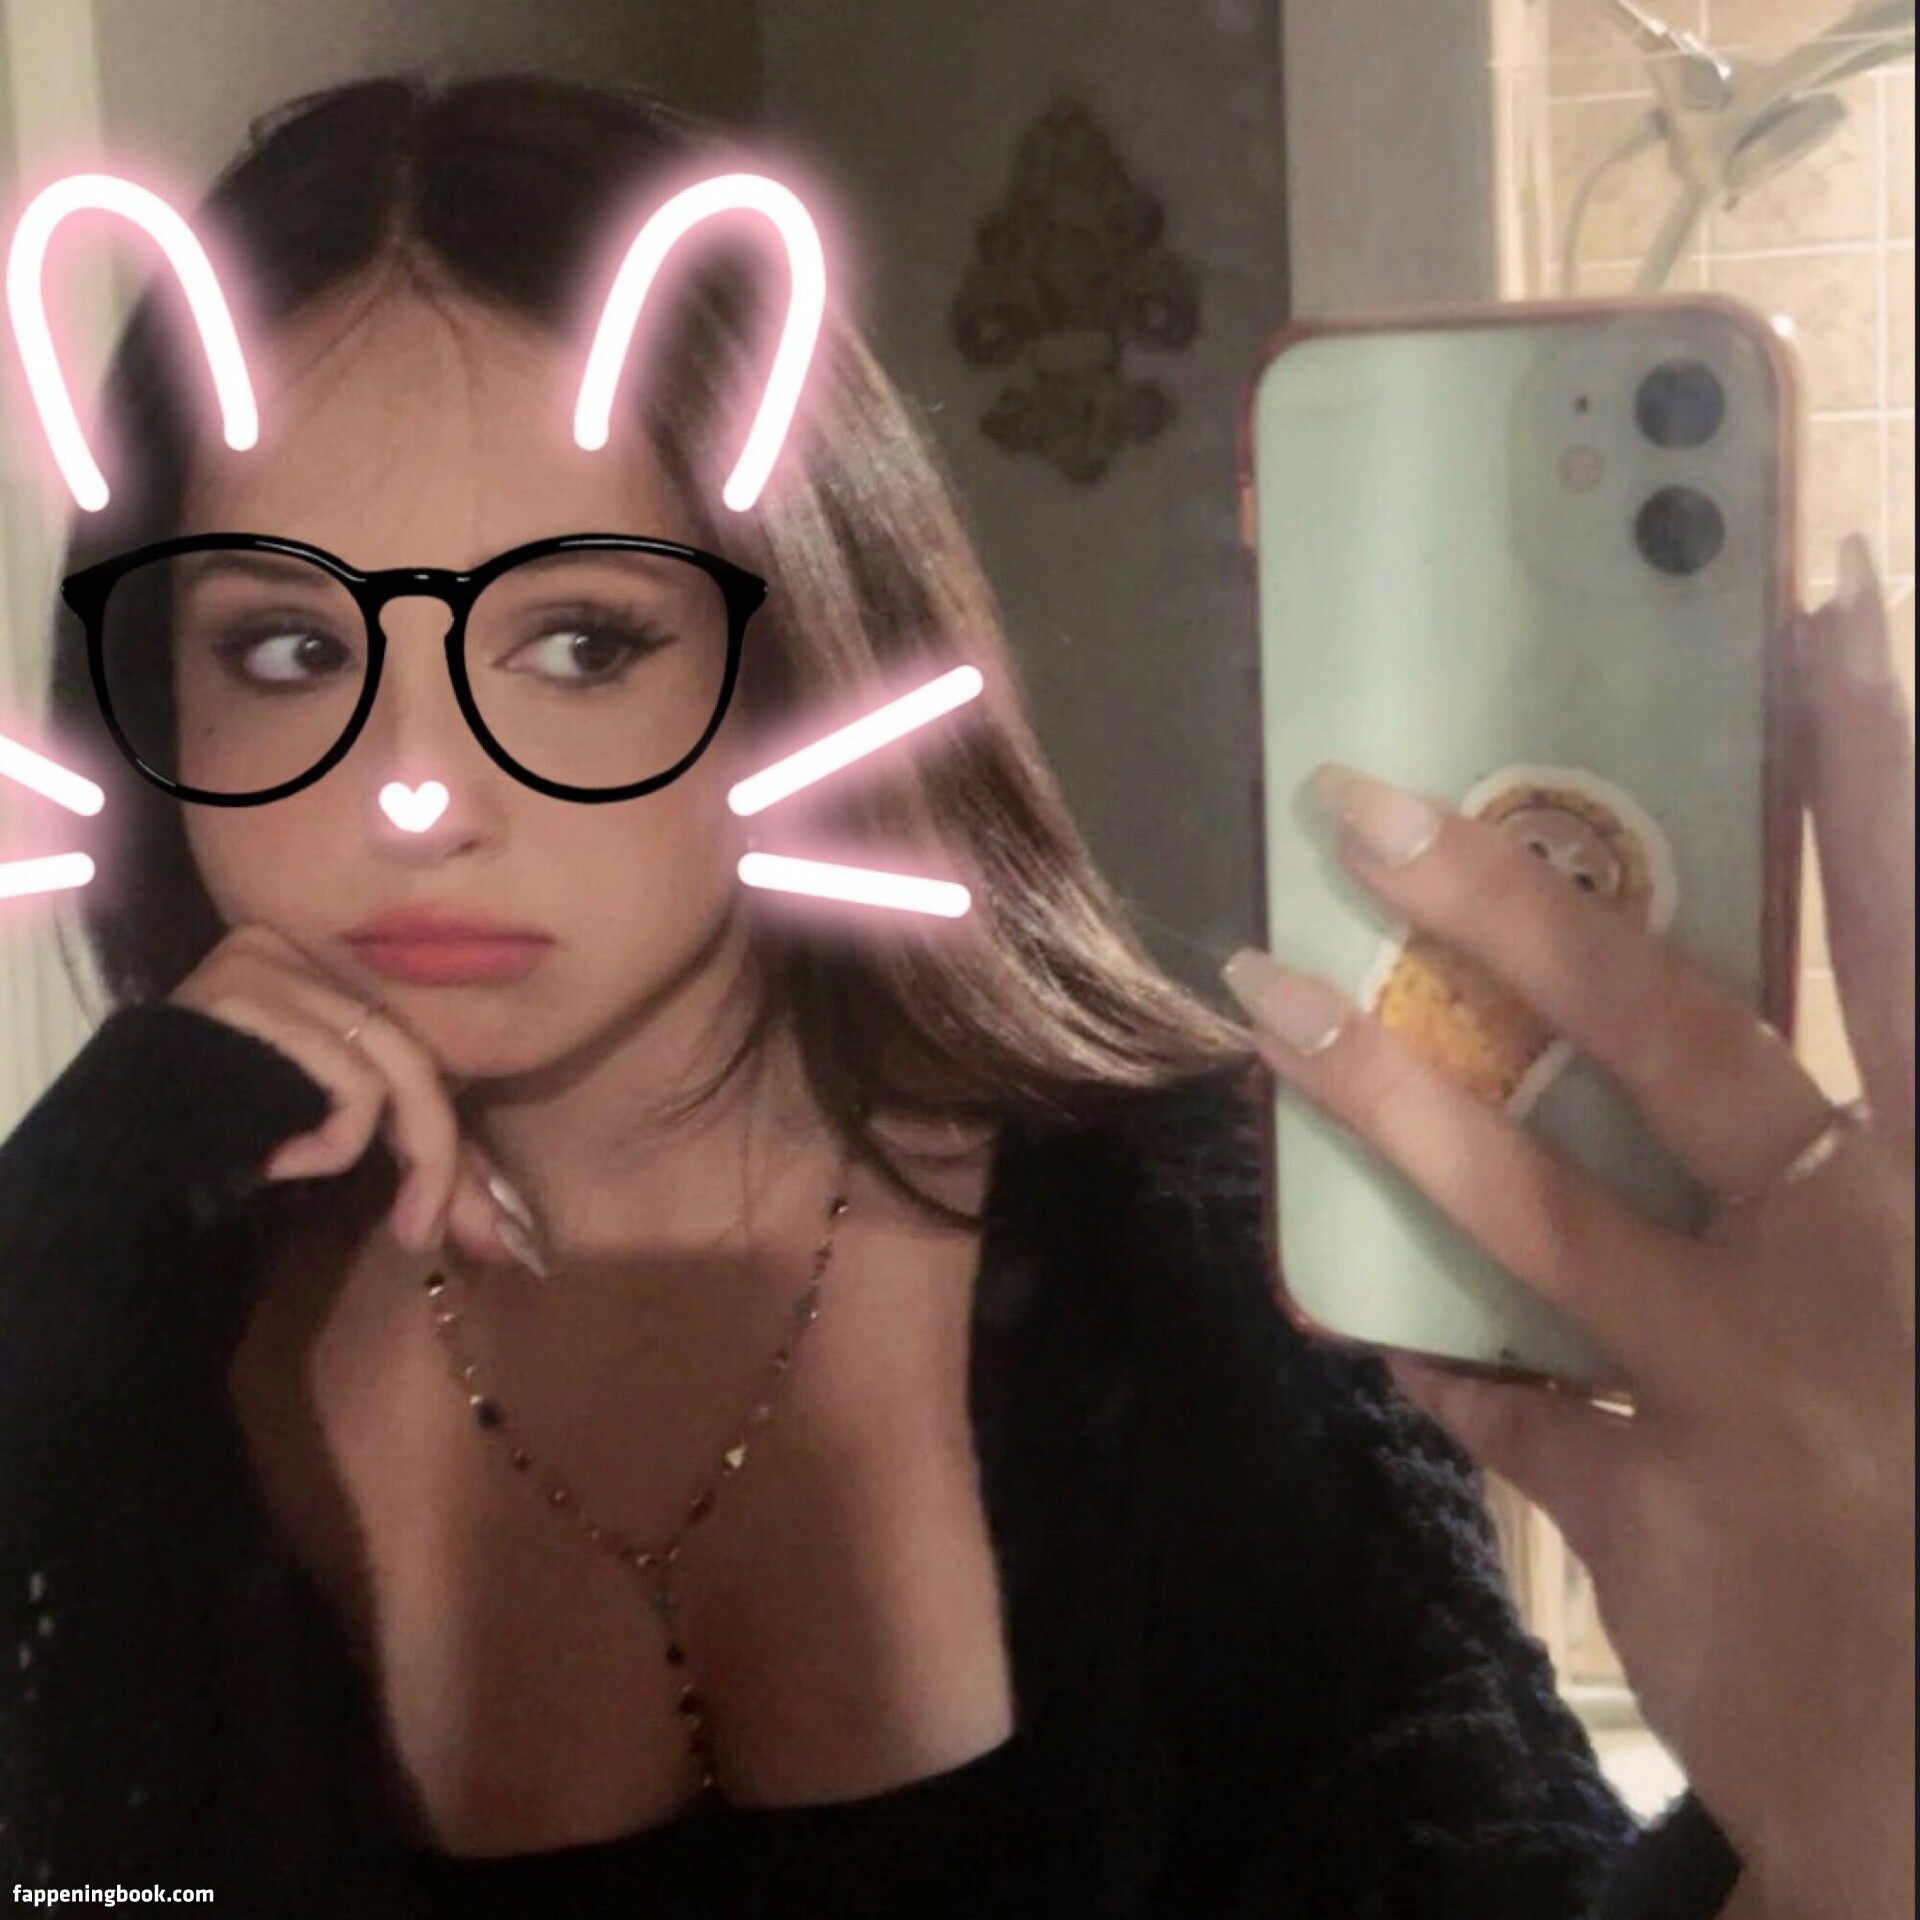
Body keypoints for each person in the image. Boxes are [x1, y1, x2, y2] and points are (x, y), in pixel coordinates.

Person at [0, 71, 1909, 1920]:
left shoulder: (1186, 1255)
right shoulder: (112, 1320)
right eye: (287, 649)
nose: (414, 798)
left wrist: (1852, 1829)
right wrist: (54, 1285)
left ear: (813, 651)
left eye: (579, 640)